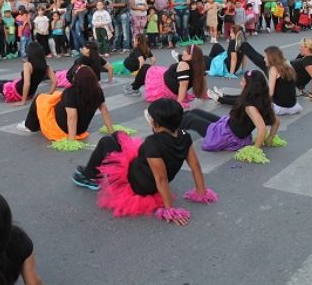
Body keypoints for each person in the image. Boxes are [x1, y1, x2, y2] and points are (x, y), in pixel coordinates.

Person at [71, 99, 217, 224]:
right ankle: (91, 172)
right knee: (117, 135)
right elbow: (195, 166)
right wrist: (201, 192)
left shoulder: (152, 143)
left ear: (157, 124)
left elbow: (161, 178)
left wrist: (170, 210)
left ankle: (89, 176)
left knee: (105, 141)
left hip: (133, 183)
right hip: (142, 171)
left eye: (151, 119)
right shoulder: (184, 136)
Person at [182, 70, 279, 152]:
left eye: (243, 81)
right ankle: (173, 125)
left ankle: (168, 130)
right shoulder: (261, 99)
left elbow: (262, 129)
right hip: (228, 126)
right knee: (195, 112)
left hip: (226, 137)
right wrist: (269, 138)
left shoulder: (250, 107)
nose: (240, 83)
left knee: (189, 118)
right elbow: (276, 121)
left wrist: (255, 150)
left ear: (250, 86)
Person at [17, 65, 115, 142]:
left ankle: (30, 126)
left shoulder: (71, 92)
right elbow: (104, 111)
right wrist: (111, 130)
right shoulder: (97, 91)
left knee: (39, 98)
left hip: (61, 129)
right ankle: (35, 123)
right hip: (81, 129)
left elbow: (72, 117)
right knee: (55, 97)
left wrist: (71, 140)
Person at [209, 45, 303, 116]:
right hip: (292, 104)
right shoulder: (287, 66)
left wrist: (258, 96)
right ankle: (225, 96)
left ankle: (220, 99)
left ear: (271, 58)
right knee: (254, 93)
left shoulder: (273, 69)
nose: (264, 59)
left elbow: (270, 93)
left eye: (266, 57)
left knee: (249, 98)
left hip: (279, 106)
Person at [0, 42, 57, 107]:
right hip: (30, 94)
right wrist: (49, 93)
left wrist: (22, 102)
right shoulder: (46, 66)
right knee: (4, 81)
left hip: (17, 92)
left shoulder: (28, 65)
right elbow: (55, 81)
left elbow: (27, 84)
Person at [123, 44, 206, 108]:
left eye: (185, 51)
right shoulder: (198, 66)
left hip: (165, 86)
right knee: (148, 69)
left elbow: (183, 85)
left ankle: (134, 88)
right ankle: (134, 87)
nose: (183, 51)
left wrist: (179, 102)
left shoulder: (184, 65)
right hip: (169, 77)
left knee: (145, 69)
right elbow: (202, 80)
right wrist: (204, 93)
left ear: (190, 56)